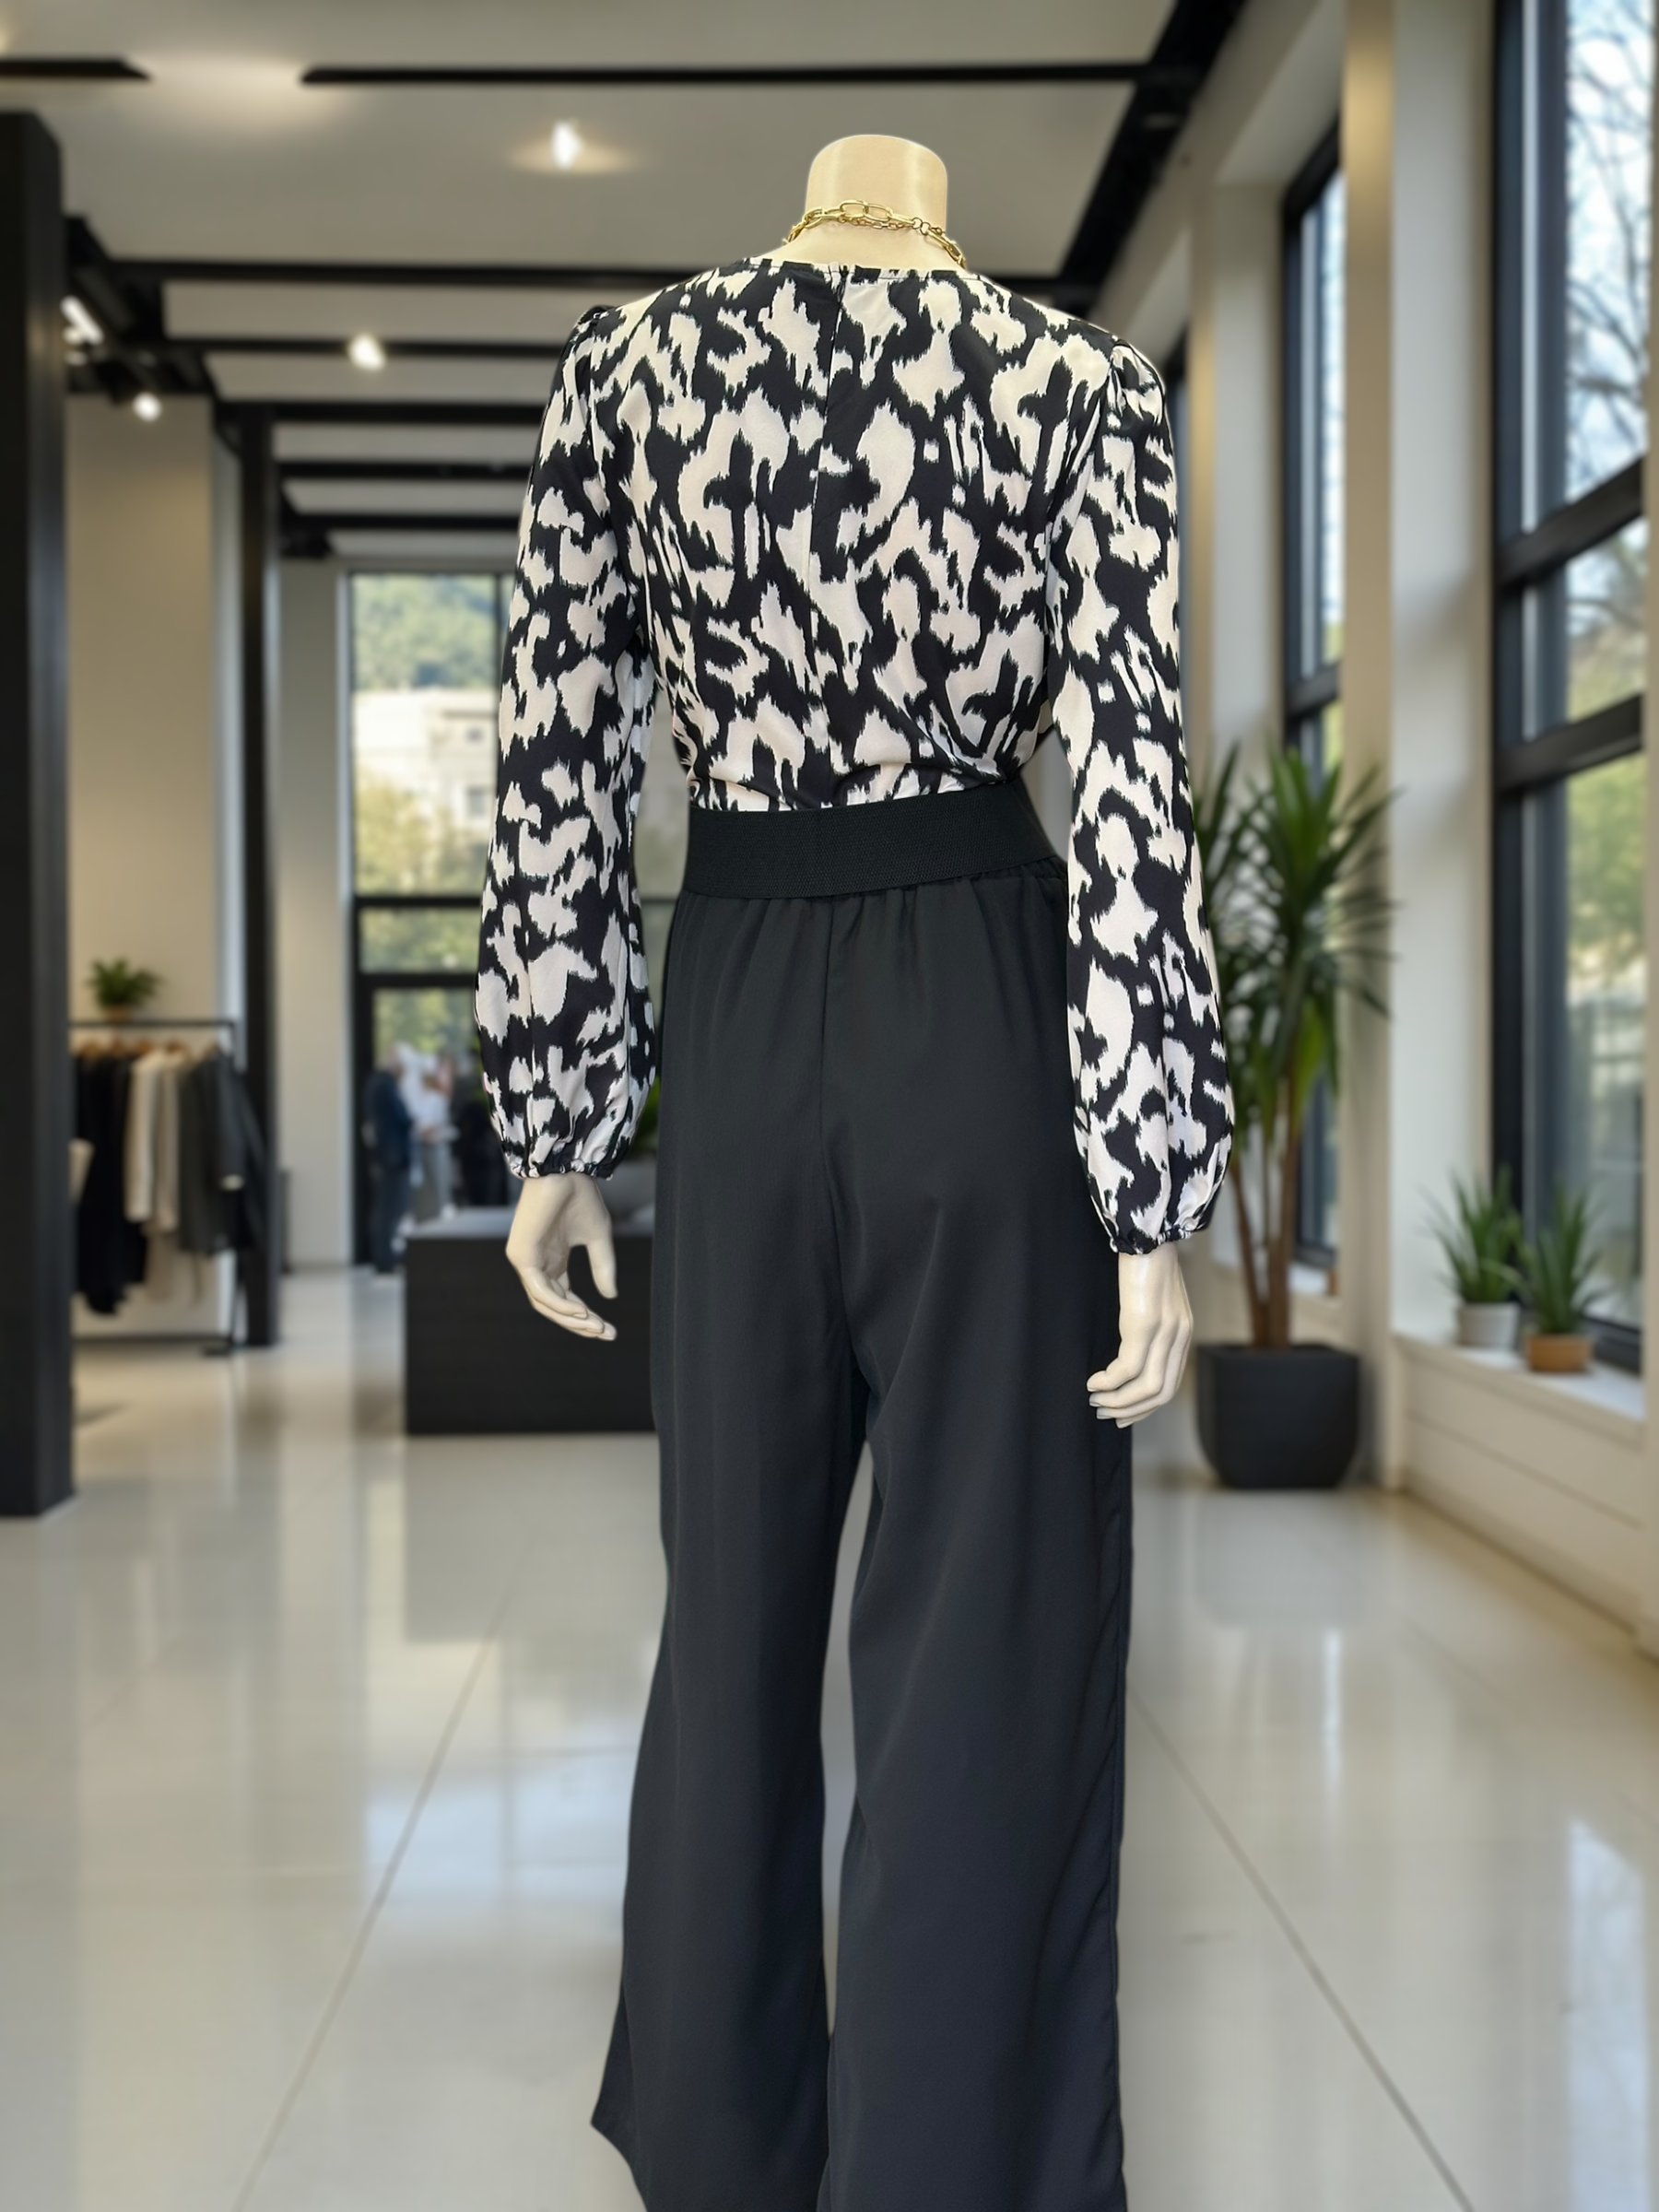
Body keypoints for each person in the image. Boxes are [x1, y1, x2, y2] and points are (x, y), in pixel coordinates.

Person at [477, 134, 1231, 2212]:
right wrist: (1147, 1174)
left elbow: (557, 744)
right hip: (981, 1004)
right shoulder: (1074, 384)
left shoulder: (628, 369)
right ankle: (949, 2166)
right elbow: (1131, 775)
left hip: (736, 1000)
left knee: (727, 1615)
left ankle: (724, 2150)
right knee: (989, 1623)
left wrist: (561, 1121)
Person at [362, 1051, 414, 1275]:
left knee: (391, 1209)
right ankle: (384, 1258)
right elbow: (399, 1119)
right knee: (388, 1210)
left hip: (390, 1157)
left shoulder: (380, 1084)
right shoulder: (383, 1085)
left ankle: (386, 1256)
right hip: (391, 1158)